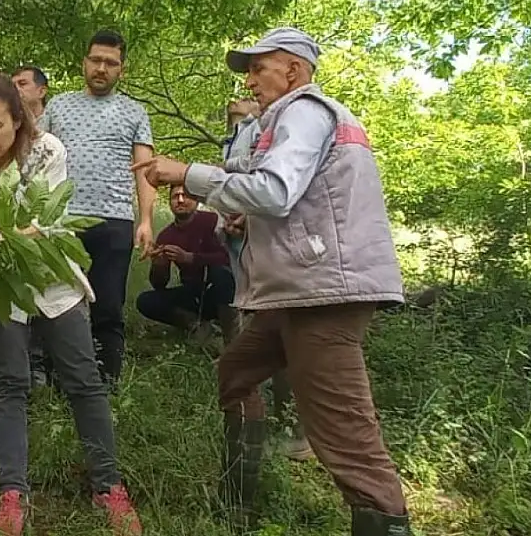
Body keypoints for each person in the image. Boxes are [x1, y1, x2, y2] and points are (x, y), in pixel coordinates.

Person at [131, 27, 411, 535]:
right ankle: (237, 504)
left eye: (260, 67)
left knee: (345, 437)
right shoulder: (281, 122)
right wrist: (240, 215)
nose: (251, 79)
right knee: (236, 369)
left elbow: (276, 190)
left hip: (323, 293)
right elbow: (276, 192)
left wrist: (187, 172)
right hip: (298, 292)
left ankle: (385, 519)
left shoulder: (305, 111)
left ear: (295, 71)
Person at [0, 70, 142, 536]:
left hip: (53, 282)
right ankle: (13, 494)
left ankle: (109, 487)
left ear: (18, 120)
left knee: (84, 381)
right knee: (9, 383)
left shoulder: (48, 151)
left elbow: (46, 220)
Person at [39, 30, 157, 388]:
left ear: (122, 68)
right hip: (61, 220)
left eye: (111, 63)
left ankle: (106, 383)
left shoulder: (134, 112)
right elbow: (37, 157)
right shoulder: (58, 106)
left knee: (107, 305)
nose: (102, 68)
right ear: (84, 62)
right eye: (96, 60)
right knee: (57, 302)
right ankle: (59, 379)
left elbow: (146, 170)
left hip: (114, 221)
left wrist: (147, 220)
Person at [217, 98, 314, 463]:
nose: (240, 94)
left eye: (256, 75)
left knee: (280, 337)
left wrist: (193, 173)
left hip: (275, 254)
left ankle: (296, 430)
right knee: (252, 339)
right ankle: (254, 435)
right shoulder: (236, 135)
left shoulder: (278, 125)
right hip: (243, 247)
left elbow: (267, 182)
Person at [135, 185, 234, 343]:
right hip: (193, 292)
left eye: (185, 196)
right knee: (145, 301)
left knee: (220, 273)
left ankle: (231, 334)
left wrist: (189, 258)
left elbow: (228, 258)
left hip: (223, 289)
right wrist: (159, 265)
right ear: (169, 202)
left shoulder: (212, 220)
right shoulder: (166, 235)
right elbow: (159, 284)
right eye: (175, 196)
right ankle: (197, 326)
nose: (180, 200)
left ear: (196, 200)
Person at [11, 65, 54, 388]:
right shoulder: (4, 129)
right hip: (8, 221)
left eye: (23, 83)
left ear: (41, 90)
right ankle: (11, 362)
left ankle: (39, 364)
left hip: (45, 223)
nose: (17, 89)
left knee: (42, 293)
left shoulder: (55, 133)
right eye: (12, 84)